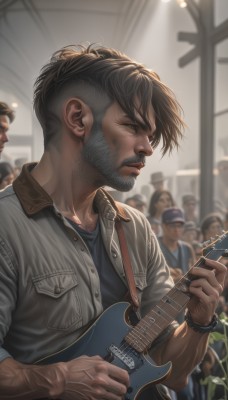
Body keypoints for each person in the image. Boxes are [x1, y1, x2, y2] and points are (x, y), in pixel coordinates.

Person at [0, 44, 226, 400]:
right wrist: (57, 379)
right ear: (78, 118)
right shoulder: (6, 226)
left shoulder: (134, 228)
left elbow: (173, 373)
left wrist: (198, 322)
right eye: (133, 127)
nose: (148, 148)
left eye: (150, 135)